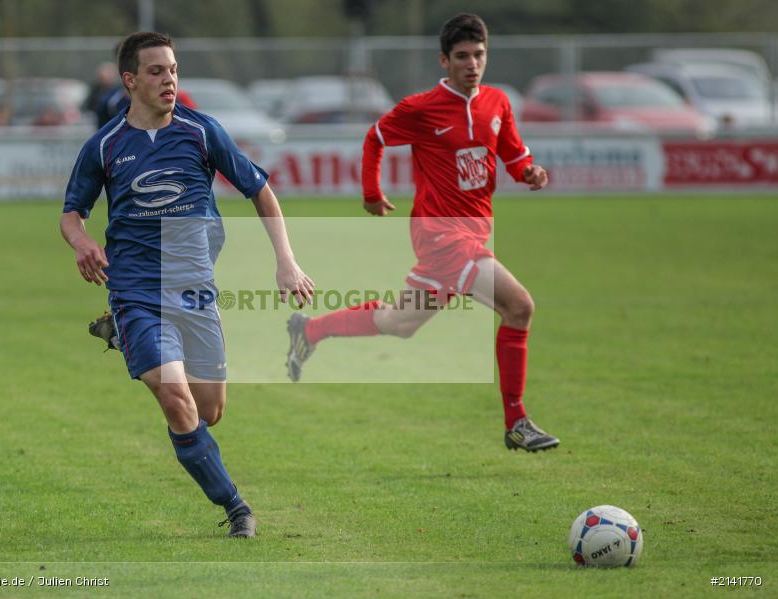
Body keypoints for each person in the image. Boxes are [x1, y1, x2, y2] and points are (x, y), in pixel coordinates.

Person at [61, 31, 314, 538]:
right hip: (136, 290)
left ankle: (120, 336)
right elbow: (72, 214)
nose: (169, 79)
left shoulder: (202, 133)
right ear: (130, 81)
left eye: (173, 69)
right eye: (156, 71)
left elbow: (259, 190)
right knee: (176, 399)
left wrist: (285, 260)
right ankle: (236, 507)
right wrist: (83, 242)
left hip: (195, 290)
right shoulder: (106, 145)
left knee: (209, 411)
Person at [285, 14, 559, 453]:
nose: (473, 64)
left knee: (401, 322)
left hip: (474, 234)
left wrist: (529, 172)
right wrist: (372, 193)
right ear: (445, 61)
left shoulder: (497, 103)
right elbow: (374, 137)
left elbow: (512, 152)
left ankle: (310, 330)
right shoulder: (422, 108)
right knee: (519, 307)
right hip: (441, 235)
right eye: (463, 56)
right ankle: (517, 422)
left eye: (479, 55)